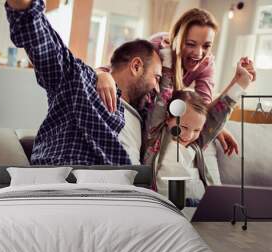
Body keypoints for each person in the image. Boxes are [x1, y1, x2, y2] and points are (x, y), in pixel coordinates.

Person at [6, 0, 162, 165]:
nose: (158, 88)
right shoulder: (82, 82)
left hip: (117, 188)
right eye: (156, 78)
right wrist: (24, 6)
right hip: (62, 180)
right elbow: (45, 44)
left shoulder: (141, 120)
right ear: (136, 66)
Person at [96, 8, 241, 157]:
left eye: (206, 46)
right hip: (145, 111)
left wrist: (218, 127)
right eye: (191, 44)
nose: (199, 53)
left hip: (169, 113)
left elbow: (201, 108)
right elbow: (119, 67)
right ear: (177, 39)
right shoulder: (159, 46)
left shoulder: (207, 64)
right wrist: (102, 74)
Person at [144, 51, 255, 201]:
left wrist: (241, 82)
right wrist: (169, 57)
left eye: (196, 130)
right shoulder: (156, 136)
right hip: (167, 207)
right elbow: (163, 95)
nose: (189, 136)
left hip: (197, 207)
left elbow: (217, 117)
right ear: (167, 118)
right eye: (183, 127)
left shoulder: (195, 144)